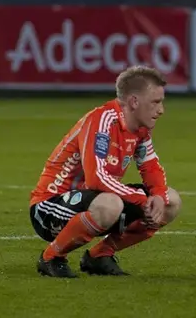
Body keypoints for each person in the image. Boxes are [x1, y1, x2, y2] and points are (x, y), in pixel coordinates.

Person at [28, 65, 183, 278]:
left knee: (170, 201)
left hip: (96, 200)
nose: (161, 110)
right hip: (49, 207)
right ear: (134, 102)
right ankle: (51, 258)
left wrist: (157, 194)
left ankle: (100, 256)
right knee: (111, 204)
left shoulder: (141, 130)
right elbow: (96, 179)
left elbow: (150, 165)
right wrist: (141, 199)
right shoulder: (102, 120)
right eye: (155, 102)